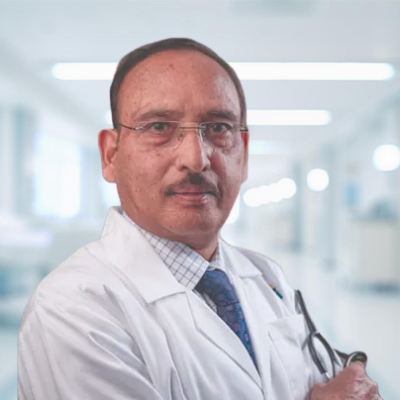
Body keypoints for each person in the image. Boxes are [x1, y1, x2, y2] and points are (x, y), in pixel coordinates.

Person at [17, 38, 381, 400]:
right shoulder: (73, 311)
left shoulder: (265, 276)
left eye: (218, 127)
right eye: (159, 127)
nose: (196, 158)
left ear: (244, 154)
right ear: (111, 155)